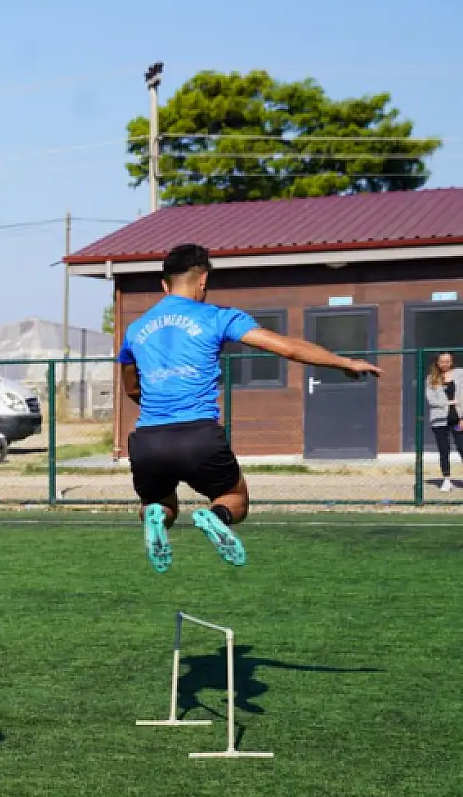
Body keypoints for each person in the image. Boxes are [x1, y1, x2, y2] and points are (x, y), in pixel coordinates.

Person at [119, 244, 380, 572]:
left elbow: (131, 388)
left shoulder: (134, 330)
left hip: (148, 439)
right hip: (199, 435)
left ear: (164, 285)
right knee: (235, 499)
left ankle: (155, 517)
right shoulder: (218, 317)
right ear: (203, 280)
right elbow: (287, 348)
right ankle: (216, 517)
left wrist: (160, 407)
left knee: (157, 503)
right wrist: (344, 362)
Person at [424, 351, 460, 492]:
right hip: (439, 421)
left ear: (452, 362)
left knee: (461, 447)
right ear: (437, 363)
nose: (445, 364)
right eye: (442, 361)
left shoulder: (460, 374)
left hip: (457, 420)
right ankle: (446, 480)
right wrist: (449, 402)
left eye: (448, 361)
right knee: (444, 450)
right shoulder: (430, 379)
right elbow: (431, 400)